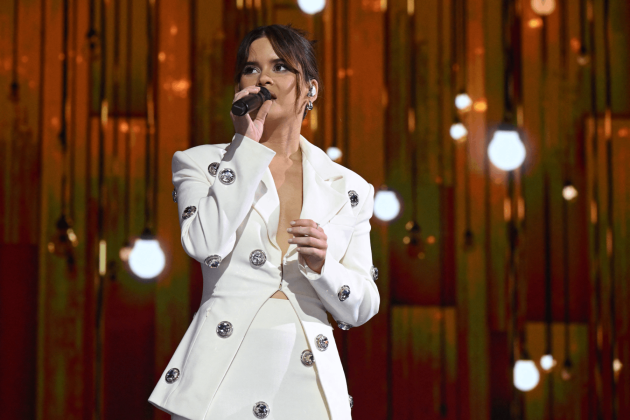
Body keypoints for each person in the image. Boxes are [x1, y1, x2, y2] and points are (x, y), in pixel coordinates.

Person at [148, 24, 380, 420]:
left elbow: (362, 306)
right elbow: (203, 243)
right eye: (251, 68)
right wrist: (245, 149)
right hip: (223, 371)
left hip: (307, 376)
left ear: (311, 89)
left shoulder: (348, 187)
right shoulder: (200, 163)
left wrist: (325, 268)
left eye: (280, 67)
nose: (264, 78)